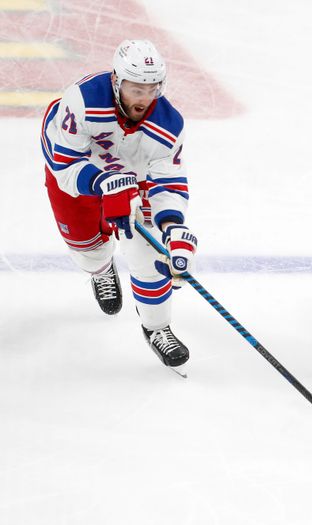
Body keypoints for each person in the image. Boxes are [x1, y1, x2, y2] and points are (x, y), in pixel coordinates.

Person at [41, 39, 197, 369]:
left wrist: (174, 229)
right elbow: (64, 164)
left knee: (151, 256)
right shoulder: (82, 100)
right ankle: (100, 269)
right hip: (80, 171)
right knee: (87, 248)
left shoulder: (169, 125)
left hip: (132, 175)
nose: (144, 98)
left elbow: (167, 181)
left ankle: (157, 328)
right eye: (135, 88)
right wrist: (101, 183)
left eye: (151, 88)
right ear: (116, 81)